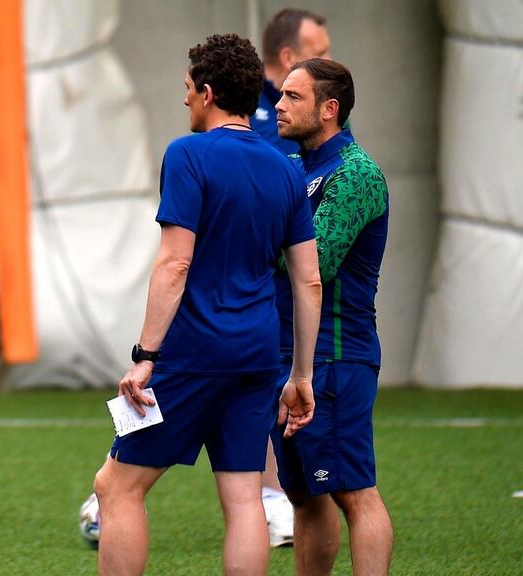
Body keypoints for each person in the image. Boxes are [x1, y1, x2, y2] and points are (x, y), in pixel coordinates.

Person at [91, 34, 322, 575]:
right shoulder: (287, 168)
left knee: (115, 488)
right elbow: (308, 281)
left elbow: (175, 264)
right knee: (245, 500)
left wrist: (145, 353)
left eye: (188, 89)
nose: (185, 99)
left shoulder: (187, 154)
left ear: (209, 92)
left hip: (193, 353)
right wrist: (300, 374)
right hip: (259, 356)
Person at [272, 58, 394, 575]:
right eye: (281, 94)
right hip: (291, 357)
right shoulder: (297, 167)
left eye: (293, 97)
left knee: (353, 493)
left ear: (329, 109)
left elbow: (312, 262)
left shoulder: (356, 173)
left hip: (336, 357)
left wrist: (243, 240)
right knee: (305, 497)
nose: (278, 104)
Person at [252, 6, 332, 548]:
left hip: (262, 290)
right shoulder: (262, 125)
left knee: (252, 389)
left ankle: (269, 496)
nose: (330, 59)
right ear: (289, 58)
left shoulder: (311, 134)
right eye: (319, 50)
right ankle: (111, 479)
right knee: (155, 374)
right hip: (234, 285)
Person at [251, 8, 331, 155]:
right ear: (288, 57)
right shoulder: (239, 105)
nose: (329, 60)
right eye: (320, 53)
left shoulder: (329, 103)